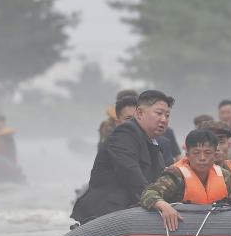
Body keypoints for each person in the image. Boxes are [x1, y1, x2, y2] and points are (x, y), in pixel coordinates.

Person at [71, 90, 174, 223]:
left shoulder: (153, 142)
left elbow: (161, 178)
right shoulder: (124, 133)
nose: (164, 119)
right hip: (106, 212)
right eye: (159, 113)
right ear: (140, 113)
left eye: (167, 115)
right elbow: (130, 172)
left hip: (133, 211)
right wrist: (157, 201)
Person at [140, 129, 231, 231]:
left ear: (214, 155)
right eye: (196, 153)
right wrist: (164, 206)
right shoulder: (176, 174)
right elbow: (149, 193)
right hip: (181, 229)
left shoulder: (224, 175)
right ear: (187, 156)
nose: (202, 158)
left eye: (208, 153)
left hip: (215, 229)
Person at [198, 120, 231, 201]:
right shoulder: (190, 170)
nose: (217, 148)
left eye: (221, 142)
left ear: (229, 145)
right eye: (210, 143)